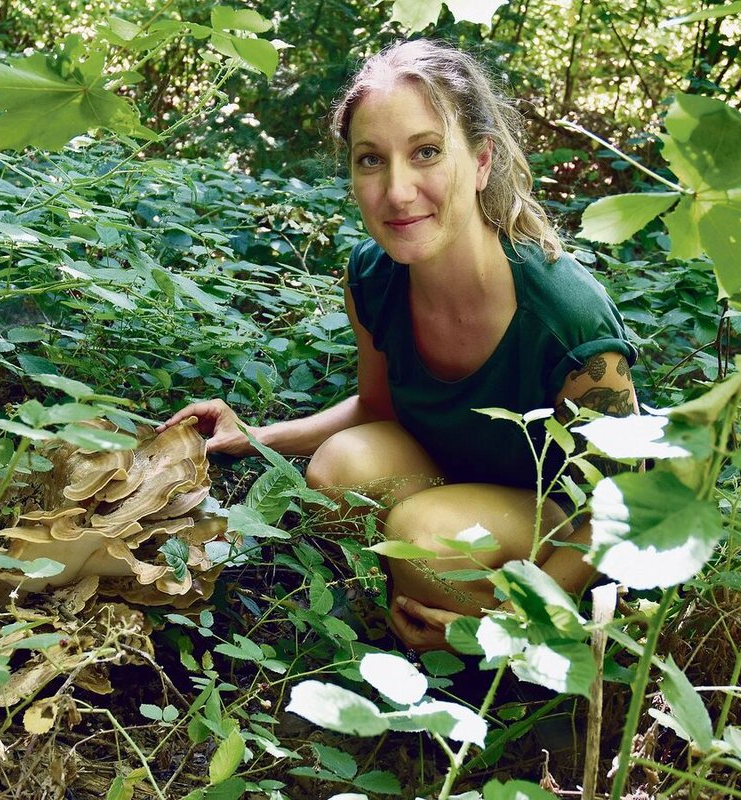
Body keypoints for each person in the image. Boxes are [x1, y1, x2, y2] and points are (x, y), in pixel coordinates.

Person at [159, 39, 638, 652]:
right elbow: (377, 410)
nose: (398, 191)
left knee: (427, 537)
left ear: (483, 160)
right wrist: (249, 438)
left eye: (427, 153)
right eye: (370, 160)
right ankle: (408, 618)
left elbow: (616, 510)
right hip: (452, 491)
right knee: (341, 469)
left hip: (561, 526)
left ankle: (503, 656)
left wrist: (518, 628)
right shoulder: (374, 277)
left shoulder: (565, 317)